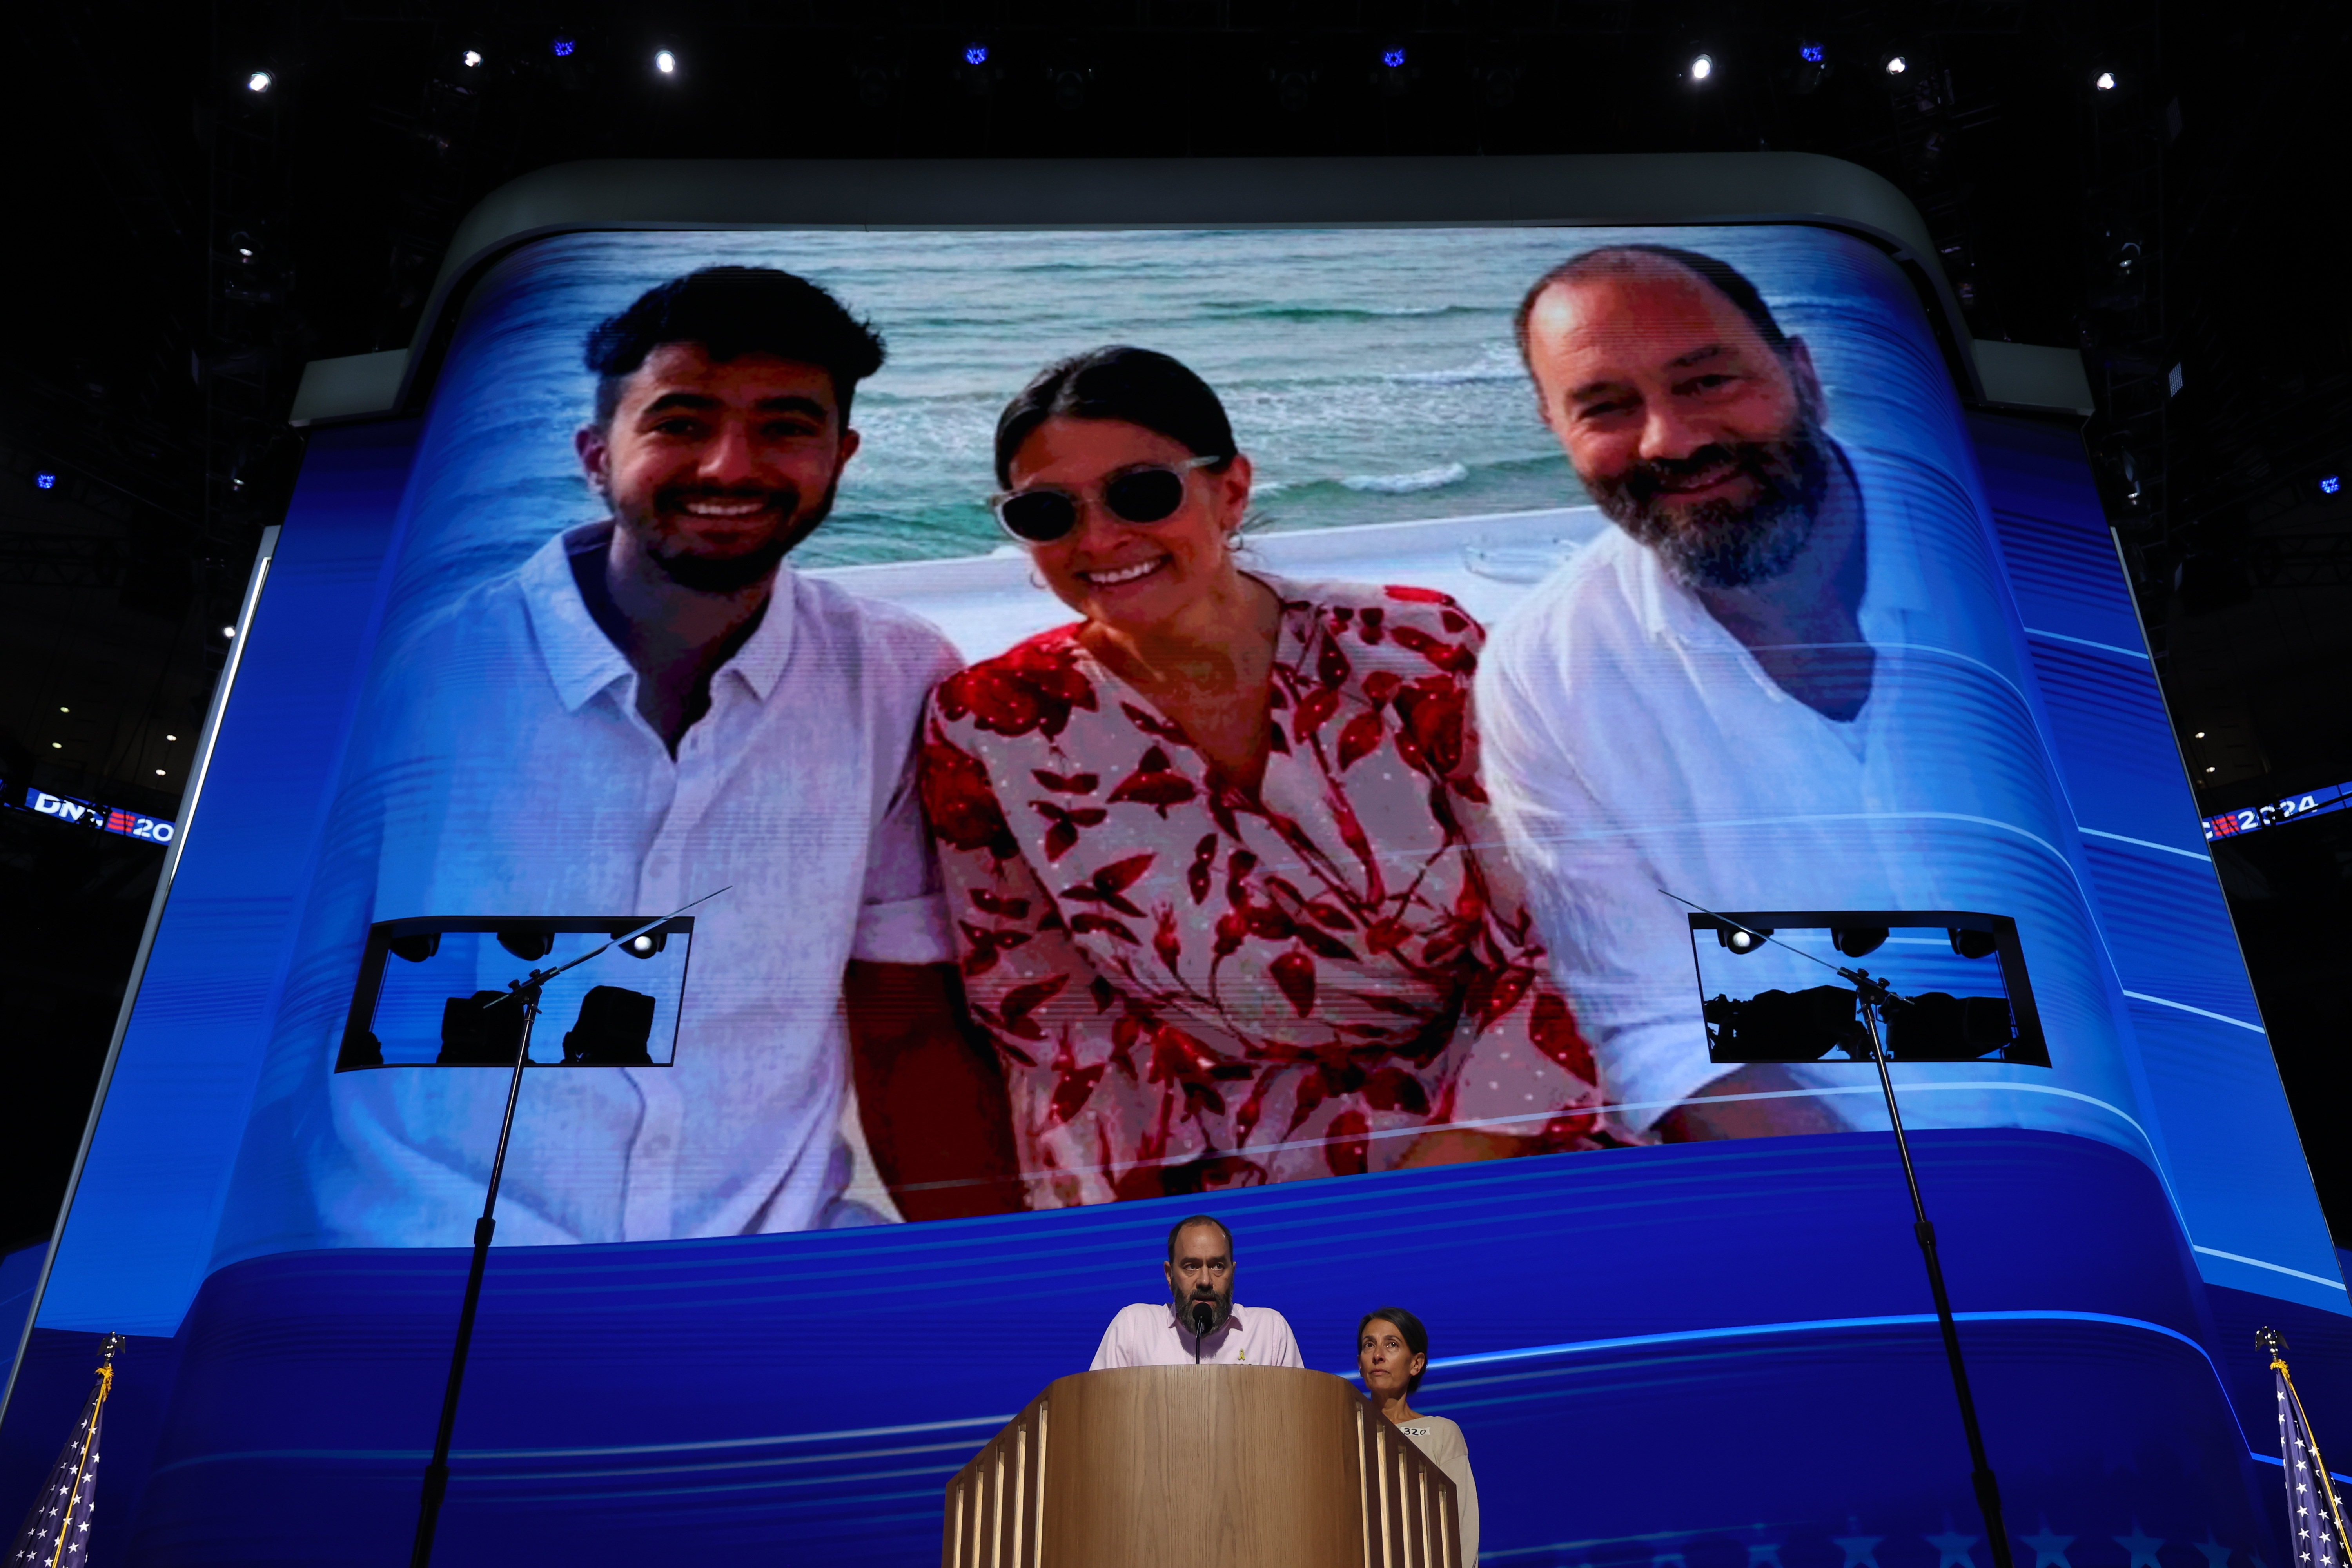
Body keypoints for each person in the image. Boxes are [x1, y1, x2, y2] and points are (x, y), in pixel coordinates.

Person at [291, 266, 1019, 1248]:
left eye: (786, 427)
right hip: (425, 1266)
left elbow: (906, 1021)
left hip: (771, 1258)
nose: (730, 466)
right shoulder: (408, 671)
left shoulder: (892, 679)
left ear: (842, 455)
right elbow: (282, 1006)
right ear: (596, 454)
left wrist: (985, 1276)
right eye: (680, 422)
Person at [1463, 242, 2117, 1151]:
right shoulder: (1546, 677)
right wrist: (1913, 1234)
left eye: (1707, 381)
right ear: (1554, 428)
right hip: (1881, 1204)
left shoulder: (2029, 557)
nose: (1672, 441)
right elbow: (1660, 1027)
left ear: (1802, 373)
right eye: (1606, 407)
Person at [920, 345, 1606, 1209]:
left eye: (1143, 493)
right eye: (1047, 512)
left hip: (1506, 1110)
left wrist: (1443, 1169)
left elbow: (1560, 932)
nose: (1097, 539)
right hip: (1230, 1154)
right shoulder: (990, 724)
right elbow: (1052, 1022)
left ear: (1231, 490)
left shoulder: (1411, 649)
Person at [1091, 1214, 1302, 1368]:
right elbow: (1098, 1412)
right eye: (1191, 1266)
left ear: (1233, 1272)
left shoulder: (1269, 1331)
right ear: (1169, 1274)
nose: (1205, 1281)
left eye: (1217, 1266)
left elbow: (1298, 1417)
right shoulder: (1134, 1328)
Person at [1358, 1307, 1479, 1565]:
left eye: (1391, 1345)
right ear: (1360, 1364)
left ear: (1416, 1363)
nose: (1378, 1356)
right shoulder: (1340, 1431)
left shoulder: (1441, 1432)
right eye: (1369, 1345)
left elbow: (1463, 1523)